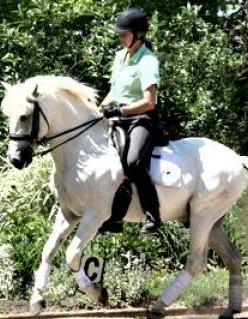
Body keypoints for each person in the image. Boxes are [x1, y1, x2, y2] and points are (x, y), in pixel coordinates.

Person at [100, 8, 161, 234]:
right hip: (118, 117)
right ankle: (114, 217)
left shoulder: (148, 61)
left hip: (141, 119)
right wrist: (99, 110)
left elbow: (149, 101)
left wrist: (120, 111)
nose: (120, 38)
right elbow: (114, 92)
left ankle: (153, 214)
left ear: (139, 35)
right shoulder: (120, 57)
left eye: (124, 34)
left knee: (133, 162)